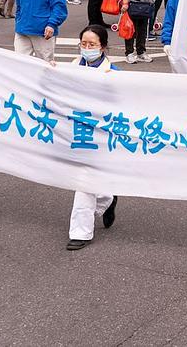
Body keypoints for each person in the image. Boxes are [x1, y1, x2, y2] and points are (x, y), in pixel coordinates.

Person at [66, 24, 120, 250]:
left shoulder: (113, 73)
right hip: (77, 130)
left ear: (103, 47)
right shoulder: (71, 66)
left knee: (84, 180)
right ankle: (107, 198)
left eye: (92, 45)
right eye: (83, 44)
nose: (86, 48)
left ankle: (80, 232)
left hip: (100, 133)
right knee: (85, 178)